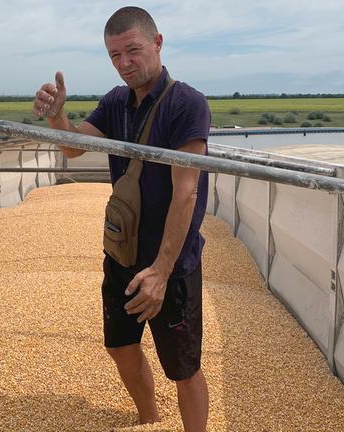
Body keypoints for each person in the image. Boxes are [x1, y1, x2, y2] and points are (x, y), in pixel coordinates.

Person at [32, 6, 211, 431]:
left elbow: (186, 193)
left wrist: (162, 272)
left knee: (184, 368)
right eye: (114, 55)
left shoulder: (187, 104)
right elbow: (75, 147)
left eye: (132, 50)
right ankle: (148, 418)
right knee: (121, 346)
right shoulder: (115, 102)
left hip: (172, 262)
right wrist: (58, 116)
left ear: (158, 43)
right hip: (123, 249)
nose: (124, 63)